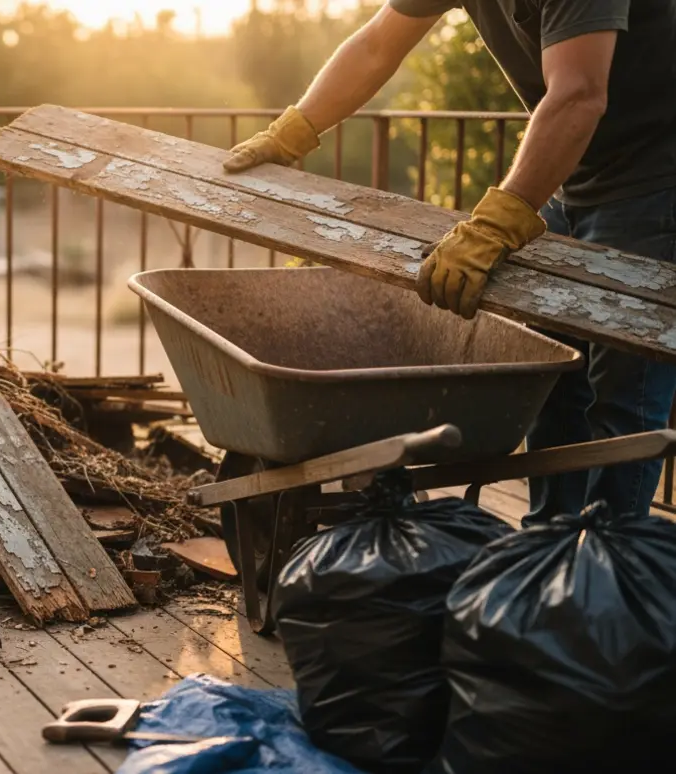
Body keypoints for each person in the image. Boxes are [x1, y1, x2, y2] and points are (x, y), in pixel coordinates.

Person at [222, 1, 676, 524]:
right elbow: (376, 47)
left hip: (656, 181)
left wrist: (495, 225)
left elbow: (579, 95)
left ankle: (611, 566)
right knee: (556, 383)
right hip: (575, 171)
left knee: (624, 395)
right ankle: (550, 551)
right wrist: (292, 132)